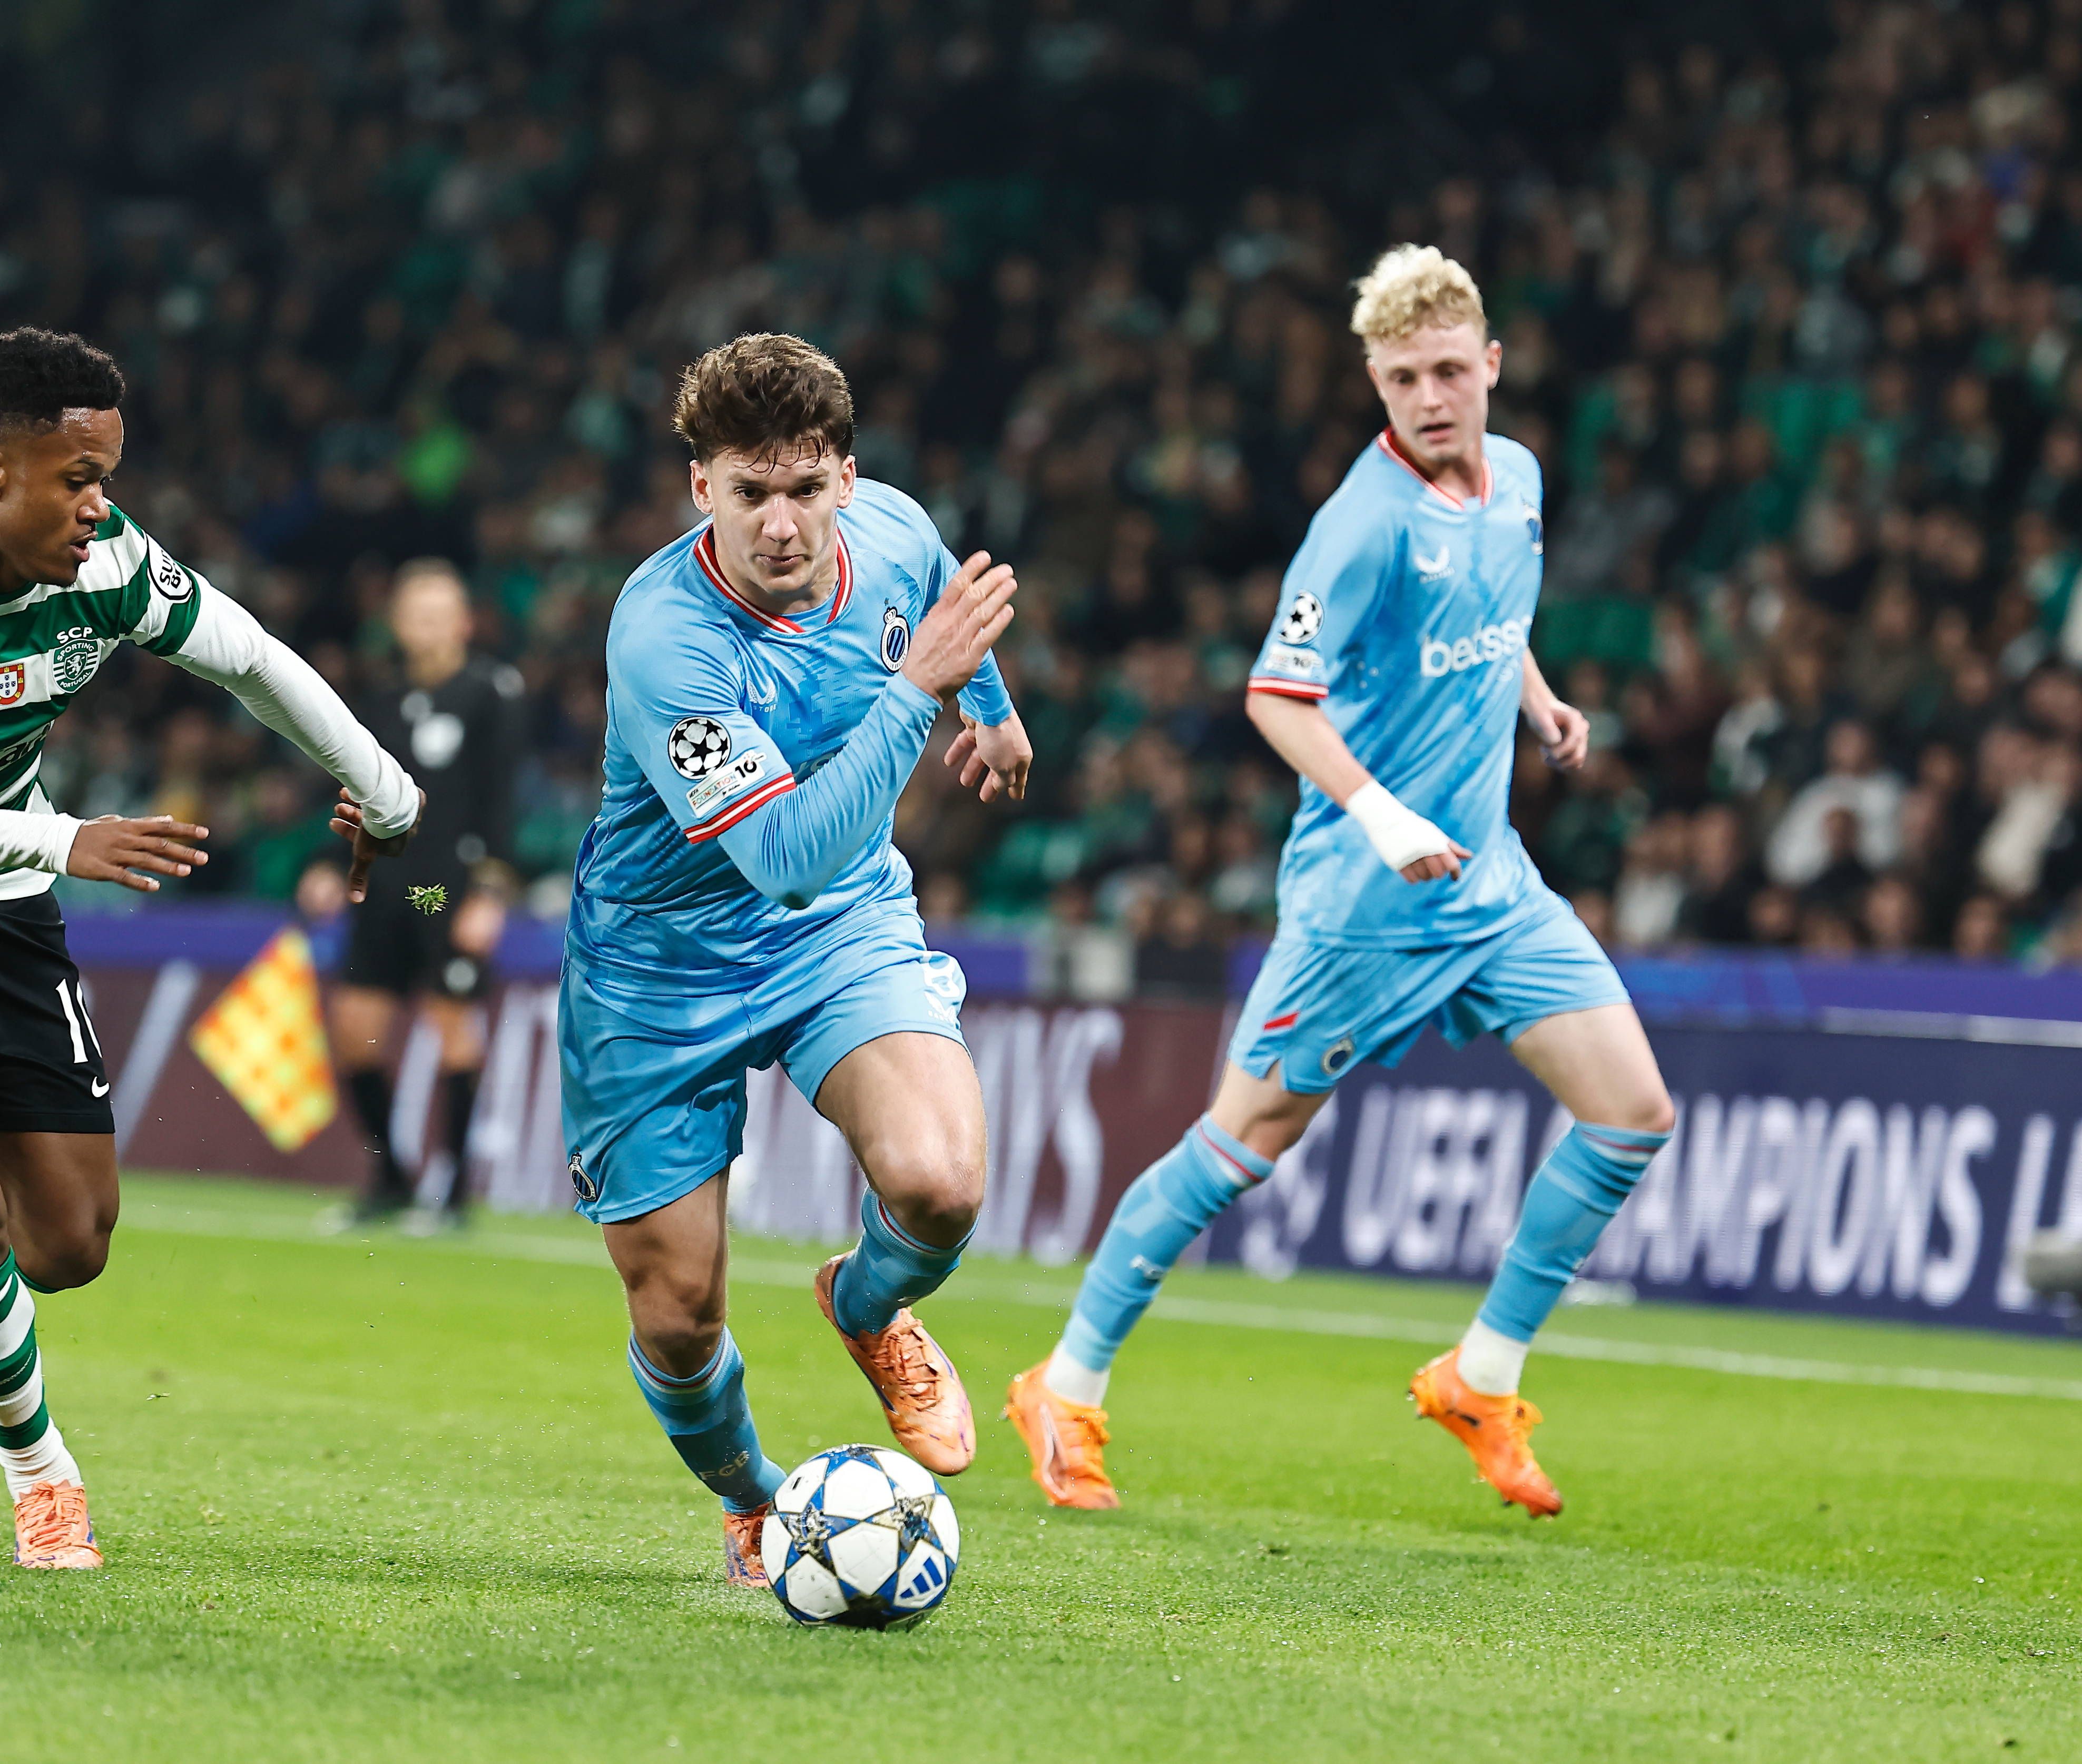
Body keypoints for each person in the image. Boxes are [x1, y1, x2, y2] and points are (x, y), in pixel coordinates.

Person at [1006, 247, 1677, 1519]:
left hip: (1490, 886)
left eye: (1447, 371)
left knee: (1630, 1112)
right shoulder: (1360, 525)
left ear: (1489, 365)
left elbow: (1493, 613)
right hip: (1364, 908)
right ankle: (1065, 1384)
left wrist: (1536, 701)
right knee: (1237, 1147)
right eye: (1401, 378)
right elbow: (1274, 695)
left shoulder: (1519, 479)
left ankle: (1481, 1378)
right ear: (1375, 383)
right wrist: (1381, 815)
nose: (1428, 398)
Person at [0, 328, 418, 1569]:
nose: (101, 505)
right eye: (78, 478)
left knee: (65, 1244)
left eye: (108, 476)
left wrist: (385, 792)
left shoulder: (109, 564)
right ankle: (42, 1480)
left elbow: (252, 660)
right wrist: (64, 839)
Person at [561, 333, 1032, 1586]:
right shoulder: (665, 639)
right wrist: (921, 693)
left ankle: (865, 1305)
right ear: (699, 488)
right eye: (749, 492)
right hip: (658, 973)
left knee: (939, 1184)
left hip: (836, 933)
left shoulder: (893, 529)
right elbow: (782, 855)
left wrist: (989, 713)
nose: (781, 523)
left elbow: (941, 604)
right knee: (679, 1315)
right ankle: (758, 1501)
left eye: (806, 489)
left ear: (846, 478)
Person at [331, 557, 525, 1225]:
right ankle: (391, 1176)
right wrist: (329, 863)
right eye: (417, 614)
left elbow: (503, 798)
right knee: (353, 1032)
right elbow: (352, 791)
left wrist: (490, 893)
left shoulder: (492, 692)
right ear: (397, 624)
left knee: (451, 1025)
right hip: (386, 885)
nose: (429, 626)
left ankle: (456, 1191)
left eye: (441, 614)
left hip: (442, 889)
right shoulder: (381, 699)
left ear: (465, 622)